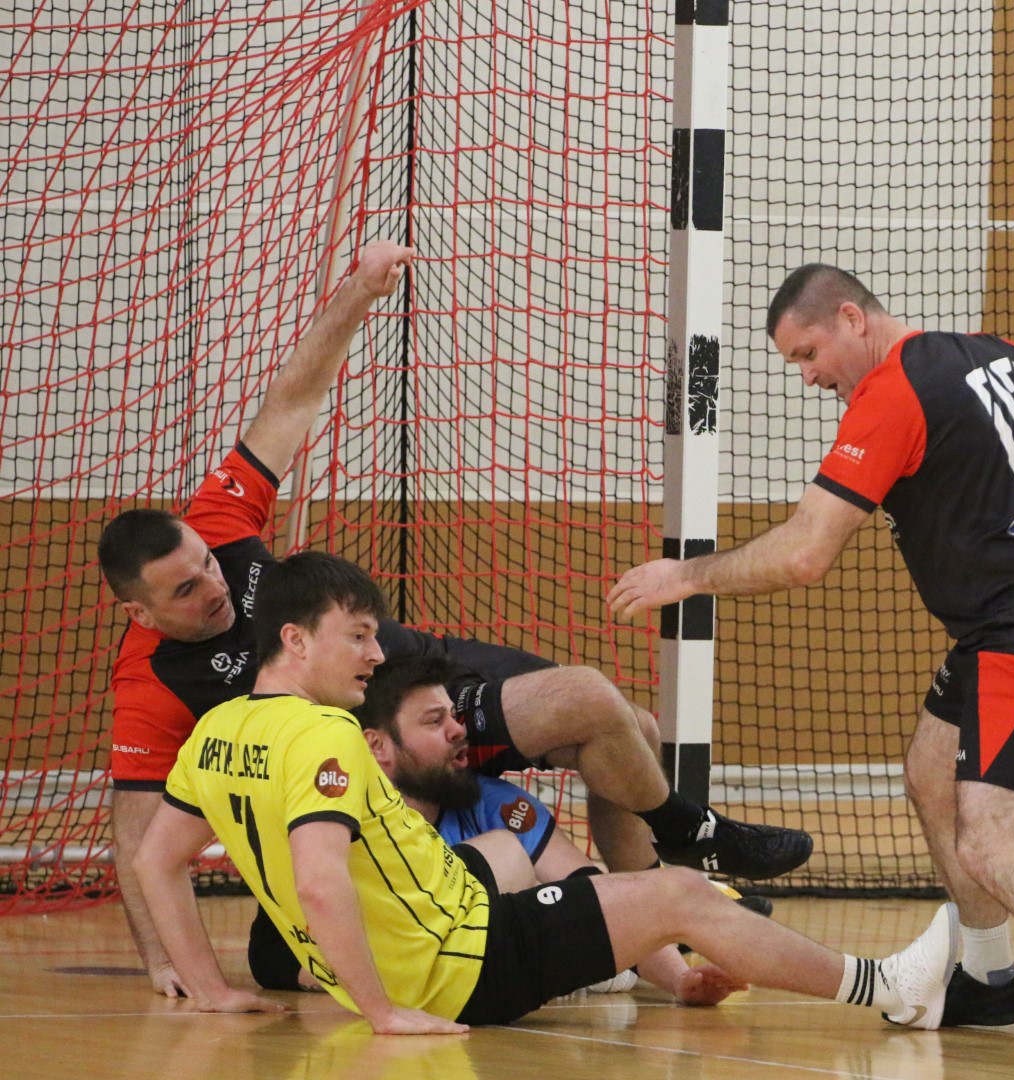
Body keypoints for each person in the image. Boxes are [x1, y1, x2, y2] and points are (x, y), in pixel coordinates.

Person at [97, 241, 811, 997]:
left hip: (418, 666)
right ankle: (683, 844)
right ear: (139, 610)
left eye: (208, 563)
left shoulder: (219, 516)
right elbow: (139, 838)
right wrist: (164, 962)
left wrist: (357, 293)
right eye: (185, 590)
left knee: (630, 728)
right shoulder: (152, 684)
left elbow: (292, 402)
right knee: (588, 703)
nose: (212, 586)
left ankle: (662, 931)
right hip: (377, 731)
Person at [609, 265, 1014, 1070]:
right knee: (929, 772)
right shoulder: (994, 351)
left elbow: (806, 552)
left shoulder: (892, 395)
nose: (808, 376)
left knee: (992, 841)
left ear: (853, 318)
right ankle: (988, 977)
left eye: (809, 353)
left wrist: (687, 575)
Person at [132, 551, 959, 1033]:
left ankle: (661, 968)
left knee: (545, 859)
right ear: (293, 638)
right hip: (461, 959)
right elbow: (318, 881)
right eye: (356, 637)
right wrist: (382, 1013)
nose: (375, 655)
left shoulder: (215, 732)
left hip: (449, 922)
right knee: (678, 892)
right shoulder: (324, 734)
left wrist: (210, 988)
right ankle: (890, 987)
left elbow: (154, 860)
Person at [245, 652, 759, 1002]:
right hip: (428, 992)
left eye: (454, 716)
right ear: (377, 746)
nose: (458, 731)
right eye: (434, 722)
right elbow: (269, 951)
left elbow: (593, 890)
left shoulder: (493, 803)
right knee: (502, 856)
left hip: (489, 979)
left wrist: (681, 981)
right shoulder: (338, 813)